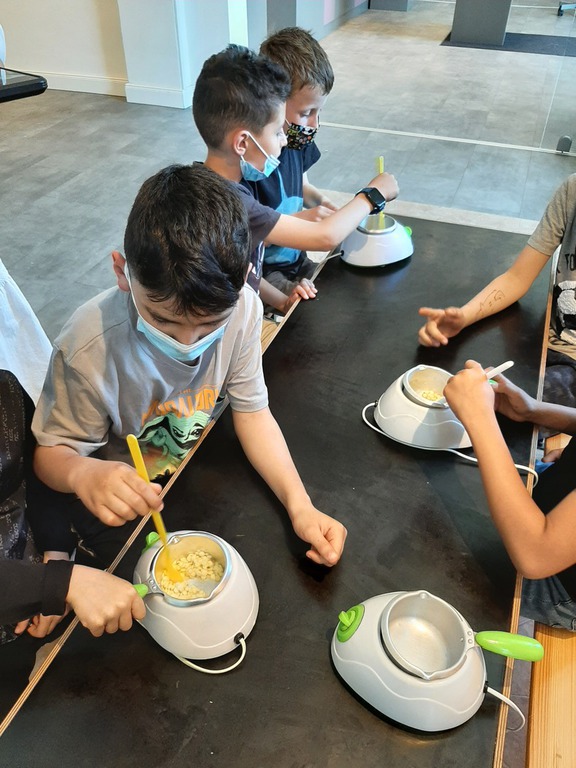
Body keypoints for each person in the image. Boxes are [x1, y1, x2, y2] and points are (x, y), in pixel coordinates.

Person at [32, 163, 346, 568]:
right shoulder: (89, 348)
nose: (188, 344)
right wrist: (81, 473)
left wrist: (300, 506)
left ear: (244, 278)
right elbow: (49, 456)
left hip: (193, 472)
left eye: (210, 325)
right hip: (118, 500)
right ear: (122, 273)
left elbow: (253, 412)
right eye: (163, 321)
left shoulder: (244, 309)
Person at [193, 45, 399, 313]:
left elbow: (243, 270)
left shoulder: (212, 187)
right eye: (278, 132)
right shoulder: (232, 203)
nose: (284, 142)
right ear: (243, 142)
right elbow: (325, 237)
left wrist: (282, 301)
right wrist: (372, 195)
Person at [0, 369, 145, 640]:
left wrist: (56, 551)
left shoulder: (6, 391)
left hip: (44, 559)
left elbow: (33, 473)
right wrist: (57, 584)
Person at [418, 174, 576, 406]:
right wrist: (463, 317)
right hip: (544, 345)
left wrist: (532, 409)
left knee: (486, 405)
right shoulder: (572, 190)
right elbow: (516, 277)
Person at [444, 360, 576, 629]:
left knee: (437, 550)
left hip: (557, 582)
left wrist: (479, 417)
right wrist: (532, 410)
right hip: (550, 497)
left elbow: (535, 555)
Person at [252, 27, 338, 296]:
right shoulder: (253, 161)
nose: (313, 124)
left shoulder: (298, 140)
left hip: (297, 260)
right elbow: (250, 237)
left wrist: (324, 204)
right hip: (264, 272)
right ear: (273, 101)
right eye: (306, 112)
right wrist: (302, 220)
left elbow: (302, 185)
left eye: (318, 112)